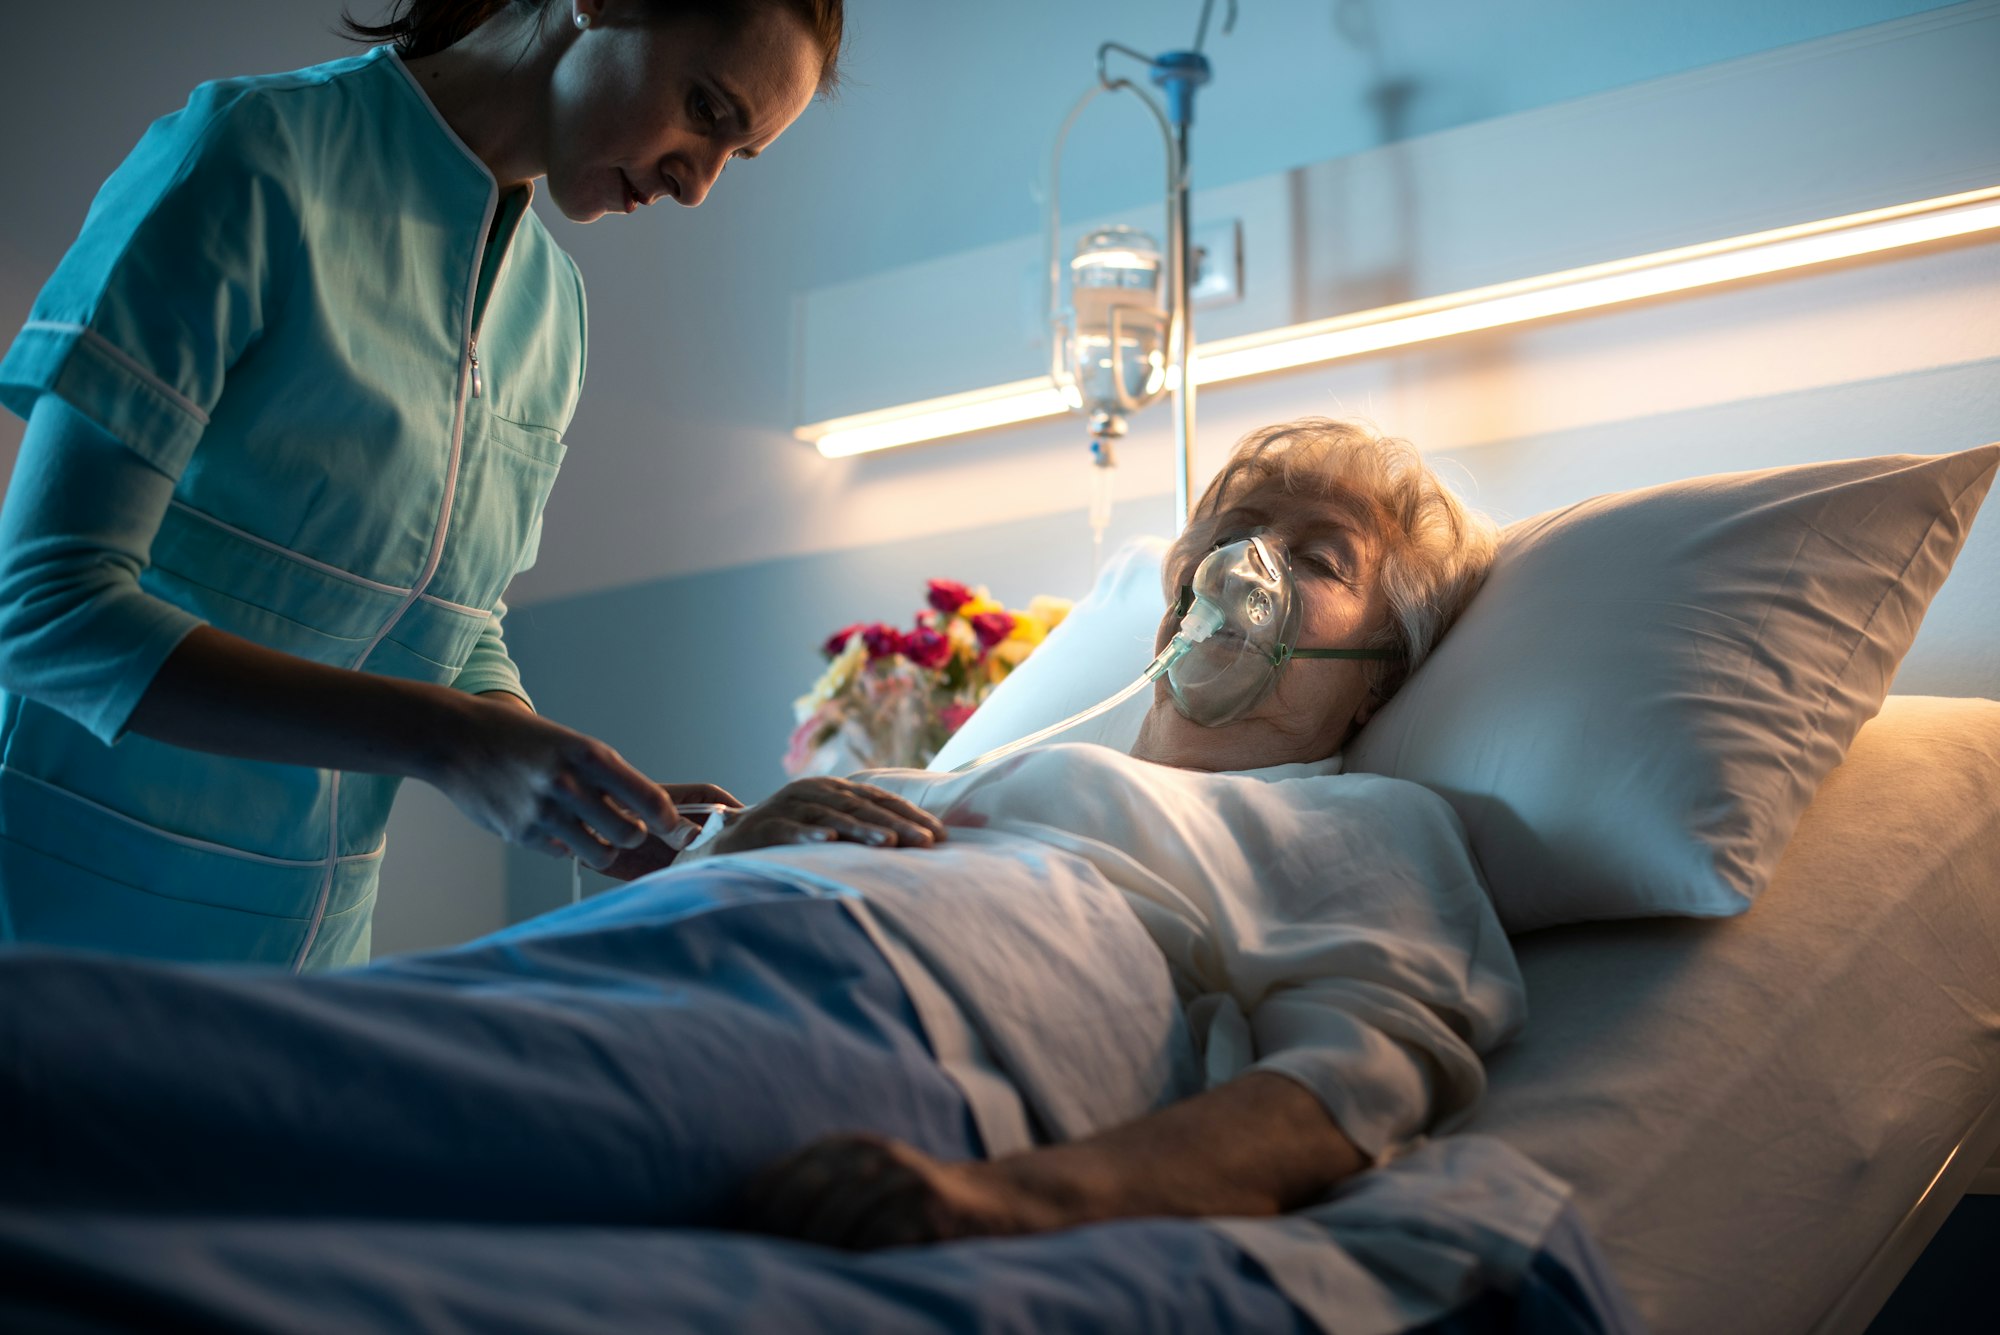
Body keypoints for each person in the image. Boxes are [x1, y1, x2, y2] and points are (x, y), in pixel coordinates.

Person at [0, 421, 1517, 1302]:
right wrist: (738, 835)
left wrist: (1024, 1202)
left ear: (1384, 669)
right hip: (683, 940)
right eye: (1233, 534)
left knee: (135, 1076)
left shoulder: (1362, 826)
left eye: (1321, 557)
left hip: (881, 1012)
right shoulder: (989, 765)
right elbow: (691, 852)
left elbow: (1333, 1097)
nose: (1249, 569)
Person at [0, 0, 851, 969]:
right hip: (58, 948)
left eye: (734, 156)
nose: (695, 185)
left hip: (308, 974)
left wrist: (613, 813)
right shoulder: (249, 158)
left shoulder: (551, 315)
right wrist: (443, 741)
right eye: (703, 108)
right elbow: (43, 613)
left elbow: (454, 623)